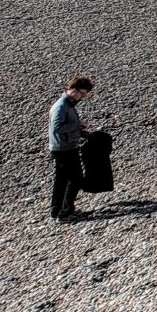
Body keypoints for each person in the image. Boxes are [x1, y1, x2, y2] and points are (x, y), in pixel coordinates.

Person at [48, 75, 94, 222]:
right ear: (74, 90)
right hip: (64, 149)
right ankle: (64, 213)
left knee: (62, 181)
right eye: (82, 94)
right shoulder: (62, 106)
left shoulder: (66, 105)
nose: (82, 97)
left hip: (65, 147)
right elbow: (57, 127)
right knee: (75, 179)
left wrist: (84, 133)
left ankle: (57, 210)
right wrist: (77, 125)